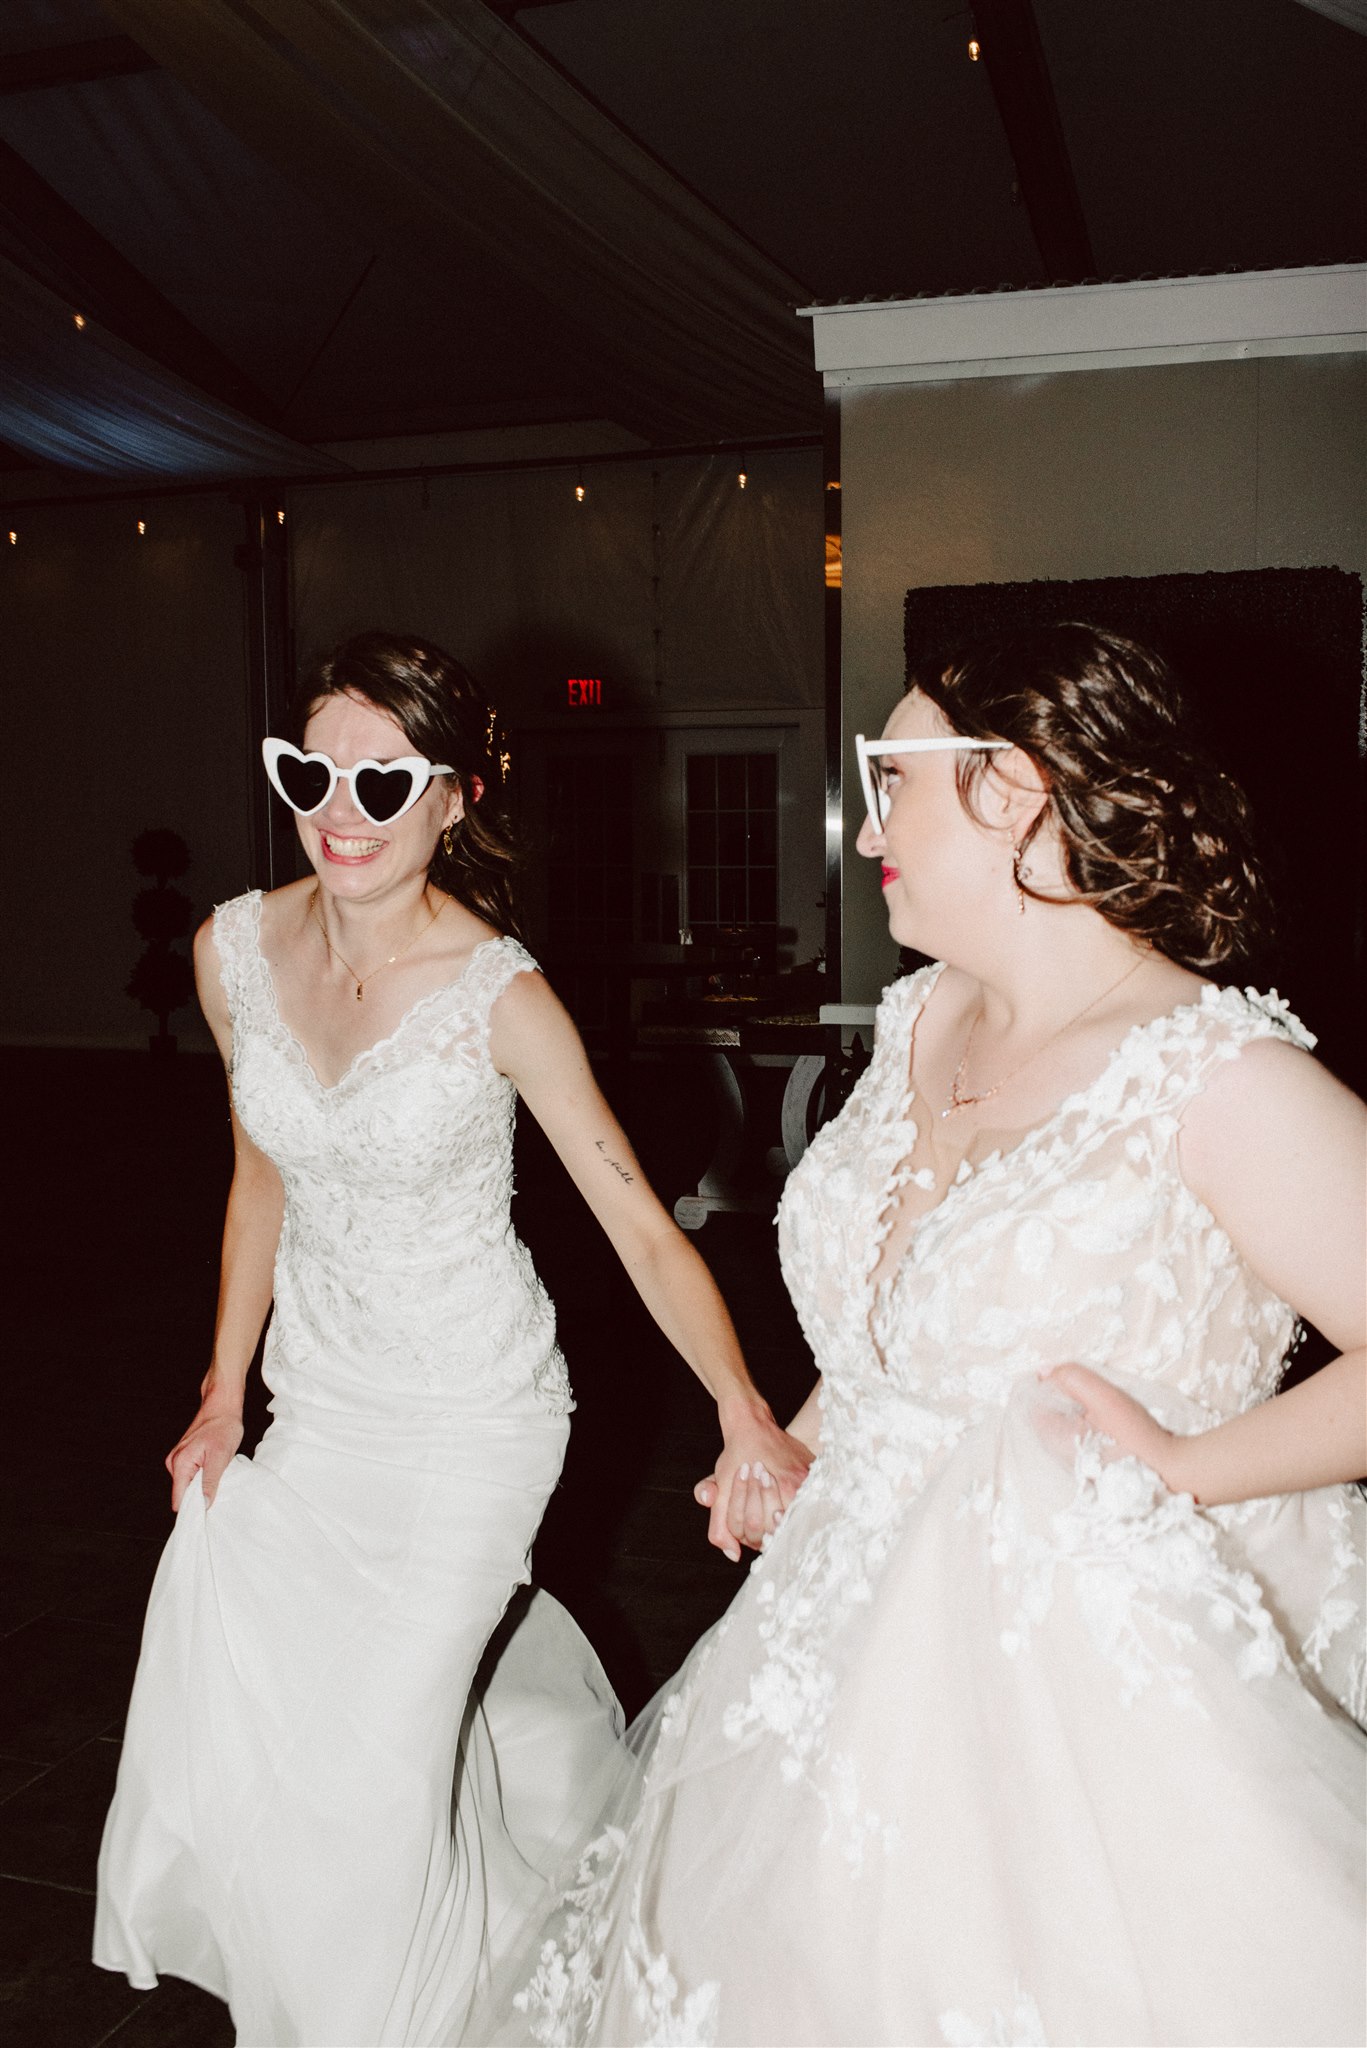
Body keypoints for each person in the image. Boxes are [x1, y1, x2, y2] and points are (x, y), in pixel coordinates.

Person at [493, 623, 1366, 2048]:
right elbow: (904, 1329)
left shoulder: (1220, 1077)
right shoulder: (916, 1021)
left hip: (1075, 1725)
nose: (867, 820)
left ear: (1015, 790)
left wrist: (1182, 1468)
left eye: (892, 775)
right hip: (826, 1673)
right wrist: (796, 1440)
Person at [93, 631, 810, 2047]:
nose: (340, 813)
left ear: (457, 797)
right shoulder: (231, 948)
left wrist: (743, 1408)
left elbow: (643, 1231)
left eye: (385, 781)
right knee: (297, 1746)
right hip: (323, 1406)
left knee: (371, 1775)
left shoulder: (502, 995)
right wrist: (224, 1388)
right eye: (312, 773)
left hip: (473, 1423)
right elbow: (260, 1177)